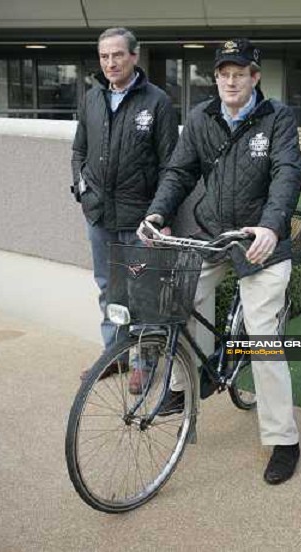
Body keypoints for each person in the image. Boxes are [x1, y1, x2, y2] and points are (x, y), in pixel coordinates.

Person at [138, 39, 301, 485]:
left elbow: (286, 173)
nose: (231, 80)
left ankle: (283, 438)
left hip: (260, 243)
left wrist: (270, 226)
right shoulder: (201, 118)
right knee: (178, 299)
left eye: (240, 72)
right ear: (216, 78)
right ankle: (185, 386)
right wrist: (156, 212)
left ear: (255, 77)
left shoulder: (277, 118)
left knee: (264, 336)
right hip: (213, 234)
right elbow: (178, 171)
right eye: (224, 73)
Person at [71, 27, 178, 391]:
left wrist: (161, 217)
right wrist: (82, 193)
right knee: (108, 289)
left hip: (140, 220)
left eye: (118, 55)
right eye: (104, 56)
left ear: (134, 56)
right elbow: (79, 152)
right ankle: (114, 354)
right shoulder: (92, 99)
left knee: (141, 292)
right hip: (99, 215)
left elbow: (170, 166)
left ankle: (143, 363)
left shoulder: (158, 102)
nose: (111, 62)